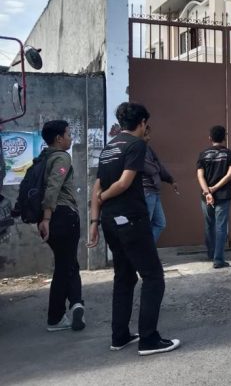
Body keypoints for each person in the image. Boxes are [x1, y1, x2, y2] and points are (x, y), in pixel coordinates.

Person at [88, 102, 180, 356]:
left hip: (109, 221)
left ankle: (120, 336)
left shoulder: (109, 147)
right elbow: (124, 182)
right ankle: (149, 340)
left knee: (125, 276)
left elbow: (95, 187)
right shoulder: (136, 145)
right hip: (130, 219)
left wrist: (94, 221)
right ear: (141, 123)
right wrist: (104, 197)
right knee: (153, 277)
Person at [39, 120, 85, 332]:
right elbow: (53, 187)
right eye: (68, 134)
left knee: (68, 263)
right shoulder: (61, 157)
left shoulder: (43, 158)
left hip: (53, 218)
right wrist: (47, 218)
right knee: (64, 266)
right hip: (63, 216)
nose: (70, 138)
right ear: (59, 138)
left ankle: (76, 302)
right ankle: (55, 317)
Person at [196, 125, 231, 269]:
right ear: (224, 138)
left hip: (206, 196)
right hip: (223, 195)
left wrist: (207, 192)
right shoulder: (230, 154)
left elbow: (200, 176)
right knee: (221, 227)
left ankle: (211, 253)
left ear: (210, 138)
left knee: (209, 225)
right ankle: (218, 260)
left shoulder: (203, 154)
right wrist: (214, 189)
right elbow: (229, 175)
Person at [143, 124, 178, 243]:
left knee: (160, 223)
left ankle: (148, 253)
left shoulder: (148, 148)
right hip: (146, 191)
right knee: (145, 227)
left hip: (154, 191)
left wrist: (170, 180)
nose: (149, 137)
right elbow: (150, 168)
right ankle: (144, 256)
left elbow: (158, 166)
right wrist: (156, 167)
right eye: (146, 135)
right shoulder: (137, 149)